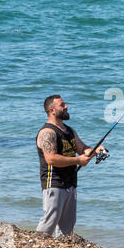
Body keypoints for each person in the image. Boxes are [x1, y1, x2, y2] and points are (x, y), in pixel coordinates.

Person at [35, 94, 105, 236]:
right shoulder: (47, 132)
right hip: (54, 183)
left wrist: (95, 151)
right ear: (52, 110)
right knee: (49, 223)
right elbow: (51, 159)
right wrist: (78, 161)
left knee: (67, 230)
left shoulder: (70, 131)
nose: (66, 107)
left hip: (71, 183)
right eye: (62, 105)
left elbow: (82, 149)